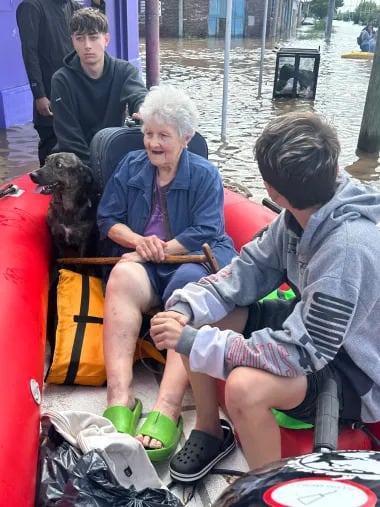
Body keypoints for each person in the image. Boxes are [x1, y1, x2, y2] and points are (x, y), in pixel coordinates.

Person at [150, 112, 380, 482]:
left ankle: (268, 487)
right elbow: (247, 272)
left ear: (273, 192)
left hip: (354, 369)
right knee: (198, 317)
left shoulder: (348, 249)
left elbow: (302, 353)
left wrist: (200, 344)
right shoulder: (295, 218)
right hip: (315, 331)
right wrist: (186, 307)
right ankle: (211, 430)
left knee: (244, 388)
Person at [97, 84, 237, 462]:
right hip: (144, 260)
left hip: (191, 260)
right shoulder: (130, 167)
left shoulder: (206, 175)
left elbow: (205, 231)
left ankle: (167, 407)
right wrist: (140, 244)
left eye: (163, 135)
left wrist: (160, 250)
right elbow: (108, 219)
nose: (153, 143)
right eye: (148, 134)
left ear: (186, 138)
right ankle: (120, 398)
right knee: (123, 278)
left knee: (187, 293)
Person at [50, 8, 148, 164]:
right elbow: (68, 137)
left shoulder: (125, 71)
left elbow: (138, 94)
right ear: (73, 41)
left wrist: (143, 109)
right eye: (80, 38)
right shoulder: (61, 80)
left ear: (106, 40)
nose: (87, 45)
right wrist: (95, 170)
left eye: (94, 37)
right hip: (75, 160)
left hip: (110, 149)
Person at [16, 0, 80, 166]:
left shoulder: (72, 7)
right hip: (48, 94)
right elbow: (30, 53)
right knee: (51, 148)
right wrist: (40, 95)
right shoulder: (32, 7)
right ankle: (47, 188)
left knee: (76, 147)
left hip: (73, 93)